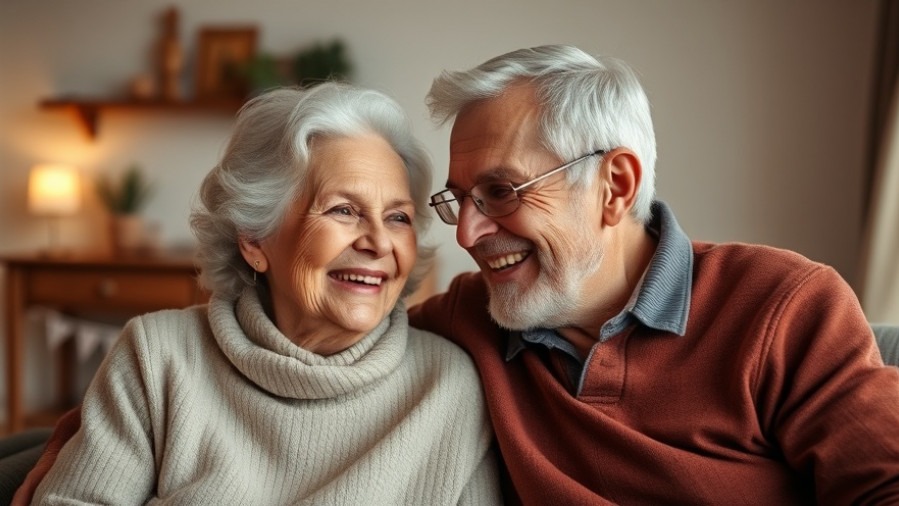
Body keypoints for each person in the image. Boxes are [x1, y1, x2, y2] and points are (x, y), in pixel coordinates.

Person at [408, 44, 899, 504]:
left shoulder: (783, 305)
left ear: (615, 186)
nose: (467, 235)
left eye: (501, 190)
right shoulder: (469, 316)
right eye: (461, 200)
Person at [23, 83, 500, 504]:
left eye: (397, 217)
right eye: (343, 210)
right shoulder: (159, 356)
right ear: (254, 239)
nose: (378, 242)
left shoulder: (449, 387)